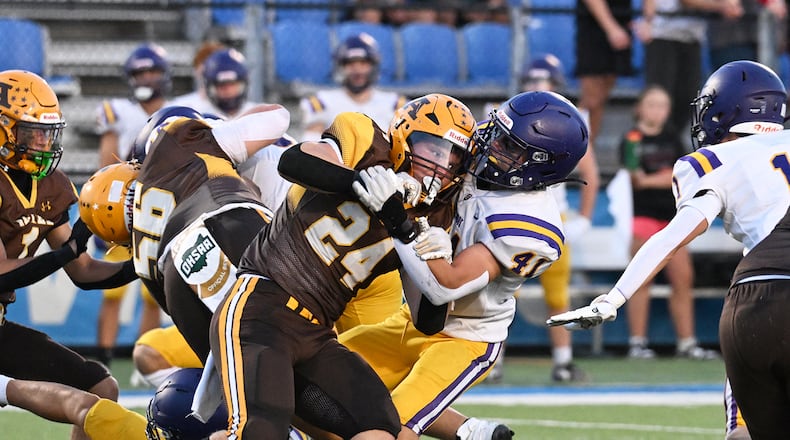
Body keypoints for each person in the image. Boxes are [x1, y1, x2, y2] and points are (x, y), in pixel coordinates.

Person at [209, 93, 476, 439]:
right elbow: (294, 162)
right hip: (262, 307)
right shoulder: (364, 137)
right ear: (404, 136)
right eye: (434, 150)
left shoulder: (435, 216)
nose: (441, 167)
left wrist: (430, 257)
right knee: (258, 433)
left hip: (318, 333)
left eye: (453, 158)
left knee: (381, 429)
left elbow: (427, 321)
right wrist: (359, 183)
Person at [547, 60, 789, 439]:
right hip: (764, 290)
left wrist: (613, 298)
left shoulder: (715, 160)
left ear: (727, 109)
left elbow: (671, 237)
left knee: (745, 431)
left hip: (760, 299)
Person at [344, 90, 589, 439]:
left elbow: (445, 284)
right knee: (314, 376)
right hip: (411, 316)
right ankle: (469, 432)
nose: (494, 146)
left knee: (393, 425)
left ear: (540, 165)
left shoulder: (526, 224)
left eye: (511, 146)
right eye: (499, 134)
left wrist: (400, 220)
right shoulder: (483, 155)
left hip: (464, 337)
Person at [0, 70, 139, 440]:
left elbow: (84, 270)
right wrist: (64, 254)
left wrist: (143, 263)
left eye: (48, 133)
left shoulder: (52, 184)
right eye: (32, 133)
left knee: (102, 389)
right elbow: (1, 274)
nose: (43, 144)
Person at [619, 84, 717, 360]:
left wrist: (654, 178)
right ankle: (637, 342)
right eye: (652, 104)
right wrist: (659, 178)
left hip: (671, 218)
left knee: (683, 279)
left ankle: (686, 342)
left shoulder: (672, 138)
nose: (657, 111)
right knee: (641, 280)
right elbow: (634, 178)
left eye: (662, 105)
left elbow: (679, 175)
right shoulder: (632, 138)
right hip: (642, 218)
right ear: (640, 107)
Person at [93, 42, 172, 367]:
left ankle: (144, 358)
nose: (146, 78)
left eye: (152, 71)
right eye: (140, 72)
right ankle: (103, 357)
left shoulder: (178, 110)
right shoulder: (118, 112)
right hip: (126, 211)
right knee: (112, 292)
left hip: (163, 210)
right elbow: (105, 166)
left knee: (153, 294)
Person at [634, 0, 742, 133]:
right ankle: (652, 142)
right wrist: (722, 6)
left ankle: (672, 142)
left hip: (691, 36)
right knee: (659, 96)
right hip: (662, 34)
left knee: (689, 97)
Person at [299, 32, 407, 141]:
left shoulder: (396, 105)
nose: (357, 70)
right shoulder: (322, 102)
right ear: (341, 67)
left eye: (363, 63)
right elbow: (311, 146)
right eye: (351, 64)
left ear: (373, 66)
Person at [575, 0, 633, 145]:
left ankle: (587, 149)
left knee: (601, 97)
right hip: (595, 26)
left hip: (620, 20)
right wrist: (611, 28)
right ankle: (575, 146)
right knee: (591, 98)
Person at [171, 48, 256, 120]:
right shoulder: (192, 113)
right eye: (221, 85)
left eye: (233, 84)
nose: (228, 90)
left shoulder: (257, 115)